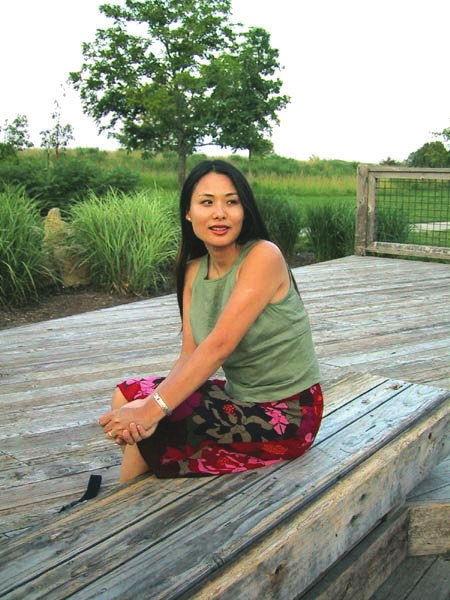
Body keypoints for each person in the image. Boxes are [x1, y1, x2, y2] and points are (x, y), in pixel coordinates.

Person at [98, 159, 323, 482]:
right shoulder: (193, 271)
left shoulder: (264, 256)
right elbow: (190, 354)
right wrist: (147, 406)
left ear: (244, 210)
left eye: (231, 202)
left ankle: (125, 502)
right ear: (188, 212)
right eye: (206, 202)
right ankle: (140, 488)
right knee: (128, 396)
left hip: (286, 413)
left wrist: (151, 410)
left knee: (157, 419)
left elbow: (218, 346)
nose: (220, 213)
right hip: (238, 397)